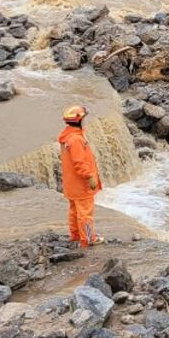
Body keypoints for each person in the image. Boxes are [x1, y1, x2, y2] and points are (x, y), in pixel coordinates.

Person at [58, 105, 103, 248]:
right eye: (84, 118)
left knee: (74, 211)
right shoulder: (76, 140)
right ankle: (89, 239)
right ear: (79, 120)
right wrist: (90, 177)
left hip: (72, 184)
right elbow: (79, 163)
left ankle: (76, 236)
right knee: (85, 213)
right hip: (81, 184)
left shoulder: (68, 137)